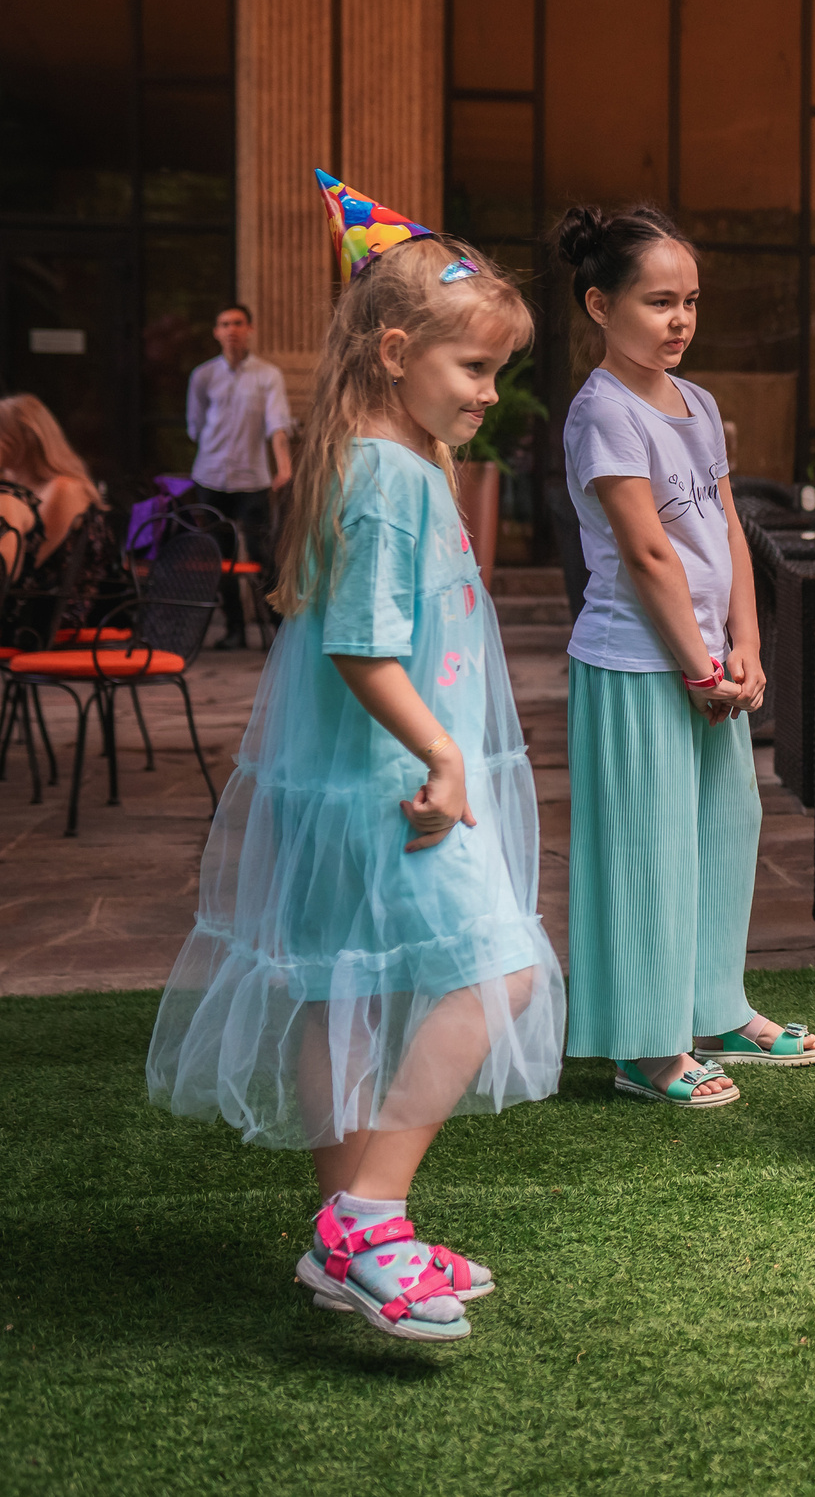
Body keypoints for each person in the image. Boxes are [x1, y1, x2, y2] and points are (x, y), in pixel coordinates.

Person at [144, 178, 561, 1343]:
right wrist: (441, 753)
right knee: (500, 972)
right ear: (394, 352)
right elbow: (362, 645)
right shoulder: (391, 479)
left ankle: (348, 1225)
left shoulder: (375, 462)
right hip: (398, 791)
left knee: (352, 990)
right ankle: (371, 1218)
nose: (489, 396)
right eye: (473, 370)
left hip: (359, 786)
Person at [554, 205, 799, 1109]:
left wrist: (747, 641)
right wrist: (700, 664)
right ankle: (646, 1045)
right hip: (635, 663)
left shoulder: (699, 403)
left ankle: (716, 1006)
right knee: (647, 848)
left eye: (690, 301)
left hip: (708, 662)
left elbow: (727, 526)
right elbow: (648, 549)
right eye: (659, 301)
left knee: (725, 835)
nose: (681, 320)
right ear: (598, 304)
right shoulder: (601, 413)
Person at [185, 303, 296, 648]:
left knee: (263, 555)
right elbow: (195, 426)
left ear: (250, 328)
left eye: (237, 323)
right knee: (221, 557)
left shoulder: (268, 375)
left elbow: (277, 425)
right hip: (210, 477)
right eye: (224, 324)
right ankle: (234, 629)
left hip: (252, 480)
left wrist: (284, 466)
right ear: (216, 332)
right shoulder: (203, 376)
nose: (231, 329)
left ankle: (279, 630)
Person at [0, 394, 116, 627]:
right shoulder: (14, 486)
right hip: (25, 604)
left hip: (51, 615)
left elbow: (24, 569)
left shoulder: (65, 489)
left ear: (24, 438)